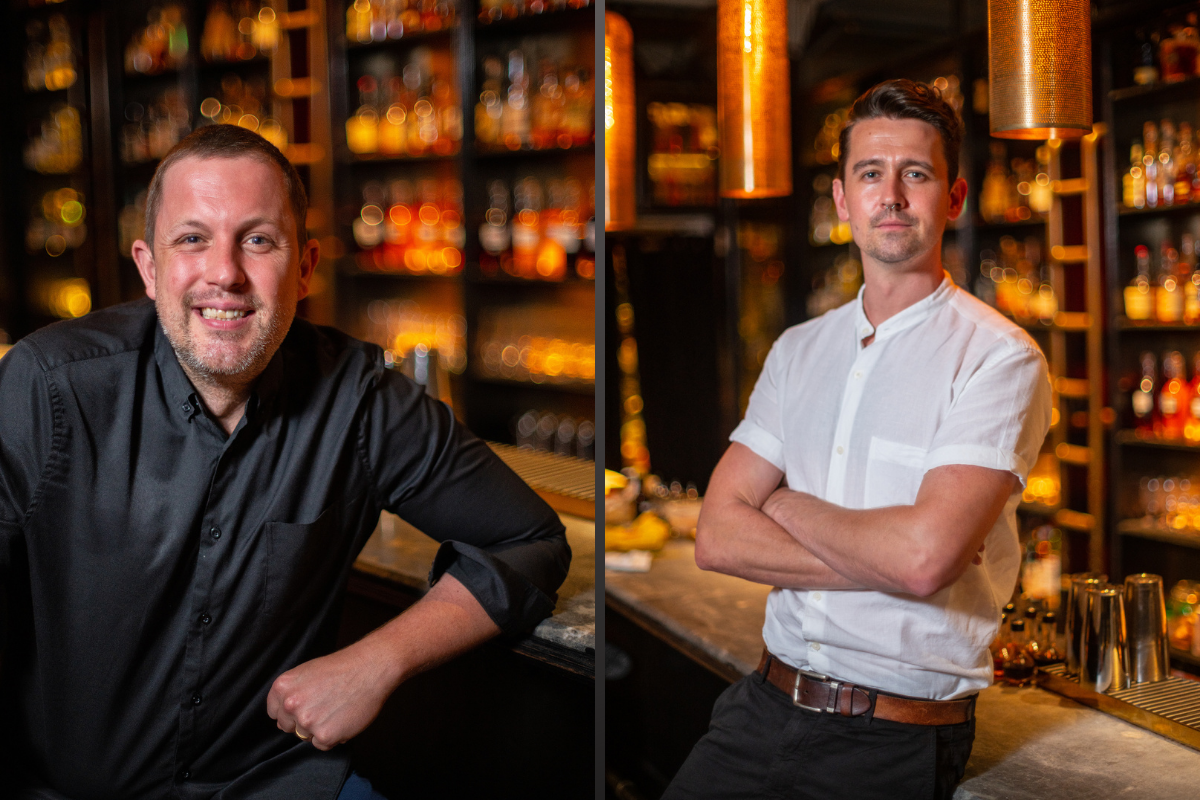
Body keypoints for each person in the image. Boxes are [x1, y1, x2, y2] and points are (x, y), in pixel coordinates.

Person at [0, 124, 570, 799]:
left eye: (258, 239)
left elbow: (530, 541)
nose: (225, 273)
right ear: (150, 269)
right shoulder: (51, 387)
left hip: (273, 784)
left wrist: (375, 661)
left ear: (304, 267)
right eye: (192, 239)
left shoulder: (362, 400)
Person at [667, 79, 1052, 799]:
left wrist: (782, 505)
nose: (893, 196)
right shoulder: (797, 351)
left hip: (892, 739)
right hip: (759, 707)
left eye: (917, 174)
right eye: (870, 174)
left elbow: (922, 559)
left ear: (955, 198)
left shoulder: (999, 358)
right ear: (842, 200)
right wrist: (902, 556)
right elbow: (717, 536)